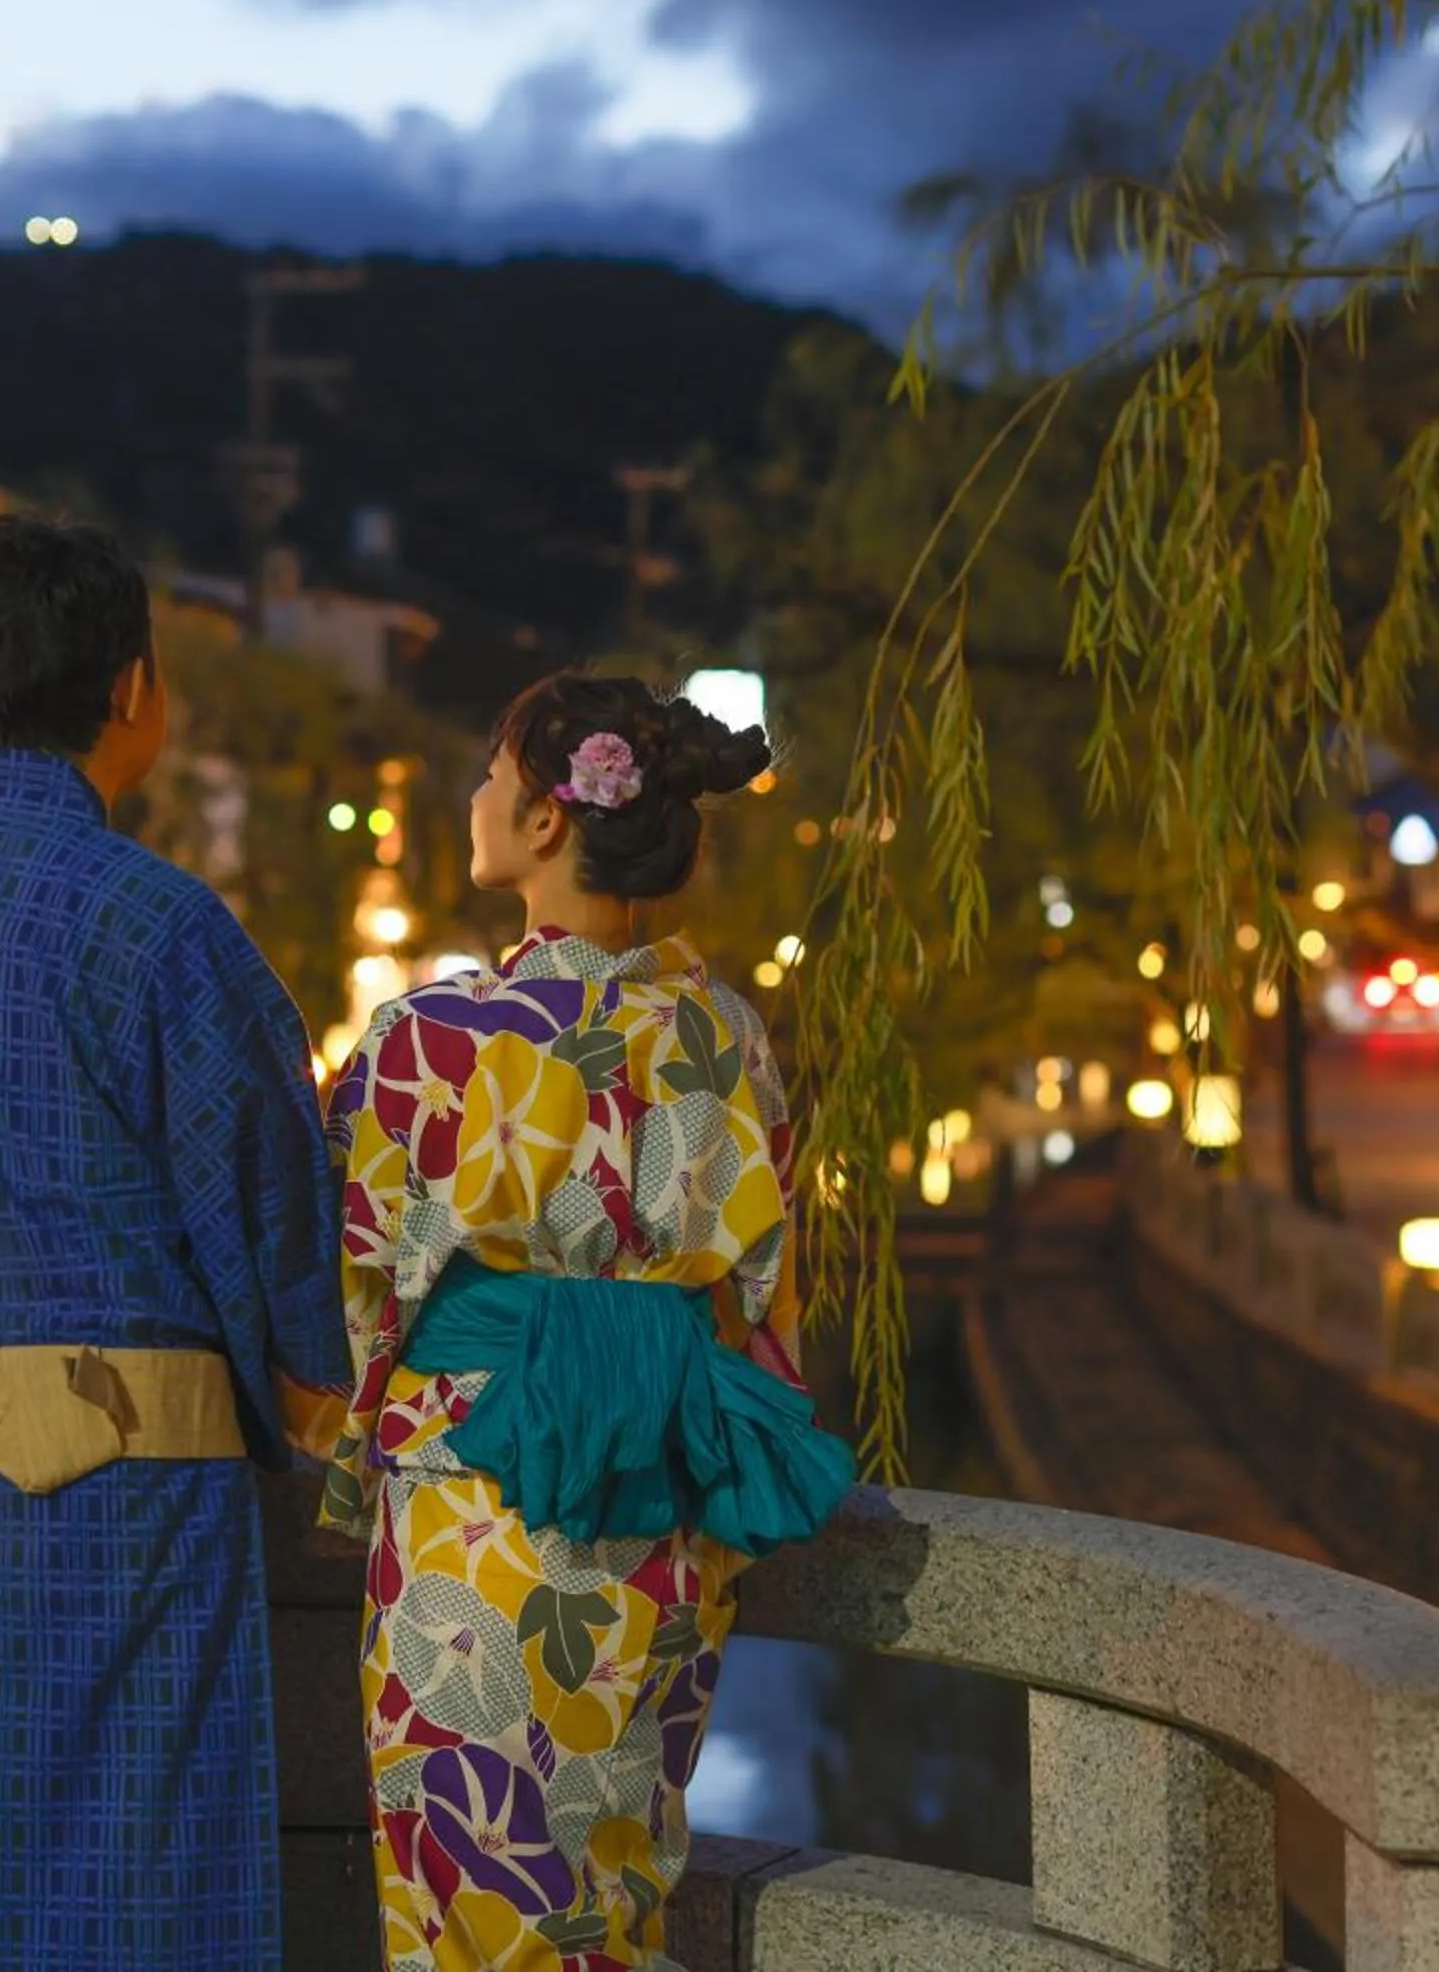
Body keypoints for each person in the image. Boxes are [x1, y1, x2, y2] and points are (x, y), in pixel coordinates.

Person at [0, 513, 350, 1972]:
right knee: (153, 1881)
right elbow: (273, 1205)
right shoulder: (170, 928)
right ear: (137, 687)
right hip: (142, 1500)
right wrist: (302, 1391)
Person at [316, 672, 857, 1971]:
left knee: (468, 1883)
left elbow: (346, 1286)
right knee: (613, 1886)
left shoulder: (427, 1044)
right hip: (657, 1527)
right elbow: (763, 1295)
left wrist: (350, 1431)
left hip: (474, 1515)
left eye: (495, 776)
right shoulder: (728, 1037)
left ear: (552, 821)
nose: (477, 798)